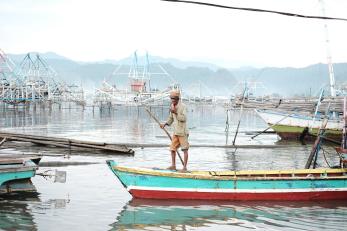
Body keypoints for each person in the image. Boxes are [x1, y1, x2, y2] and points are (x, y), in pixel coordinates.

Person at [160, 90, 189, 172]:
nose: (172, 100)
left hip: (183, 132)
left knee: (185, 149)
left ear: (177, 99)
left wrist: (176, 112)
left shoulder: (183, 106)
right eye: (171, 98)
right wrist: (165, 124)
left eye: (174, 99)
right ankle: (173, 166)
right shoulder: (172, 106)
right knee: (172, 149)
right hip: (176, 132)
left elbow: (184, 119)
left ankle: (184, 168)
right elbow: (171, 118)